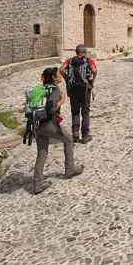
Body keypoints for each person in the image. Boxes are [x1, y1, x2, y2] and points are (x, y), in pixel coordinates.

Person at [32, 66, 84, 194]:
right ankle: (70, 168)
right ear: (54, 78)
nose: (61, 75)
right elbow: (51, 110)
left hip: (37, 124)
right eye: (58, 75)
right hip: (48, 123)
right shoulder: (54, 90)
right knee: (68, 139)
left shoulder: (43, 89)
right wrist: (62, 101)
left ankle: (37, 183)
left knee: (42, 153)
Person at [59, 44, 97, 143]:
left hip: (73, 89)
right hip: (85, 89)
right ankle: (85, 135)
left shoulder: (70, 60)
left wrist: (66, 79)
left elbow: (61, 69)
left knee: (75, 112)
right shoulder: (89, 60)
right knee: (85, 112)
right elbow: (94, 70)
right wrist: (92, 80)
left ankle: (75, 134)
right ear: (85, 52)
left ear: (76, 52)